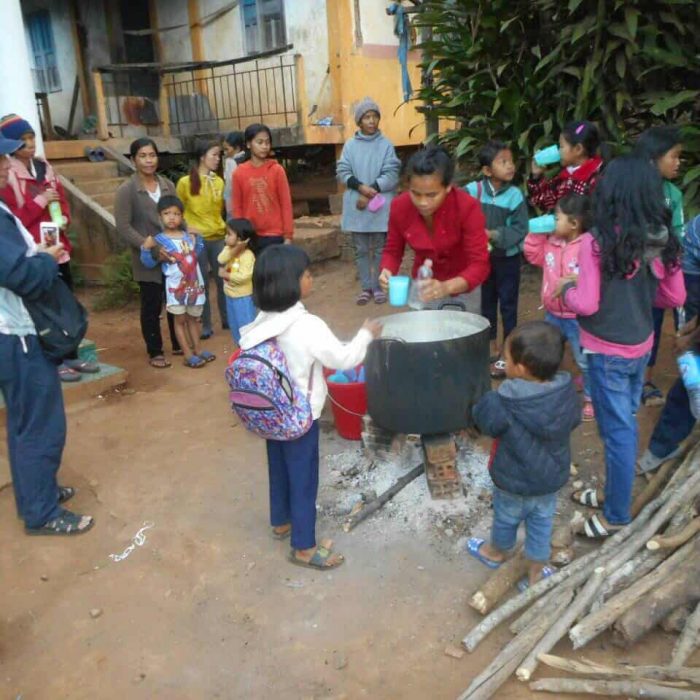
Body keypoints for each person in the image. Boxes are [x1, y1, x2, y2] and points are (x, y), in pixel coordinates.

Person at [557, 156, 685, 539]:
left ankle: (616, 516)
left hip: (606, 350)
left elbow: (588, 304)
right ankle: (612, 494)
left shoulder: (597, 243)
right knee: (623, 423)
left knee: (618, 433)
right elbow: (674, 294)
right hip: (641, 345)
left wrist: (567, 288)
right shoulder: (660, 239)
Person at [238, 245, 380, 569]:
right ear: (291, 283)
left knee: (279, 467)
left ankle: (281, 521)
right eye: (306, 274)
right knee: (303, 477)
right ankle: (303, 547)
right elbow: (343, 359)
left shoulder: (261, 320)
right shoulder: (306, 324)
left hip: (270, 413)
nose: (310, 277)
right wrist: (365, 335)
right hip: (299, 416)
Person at [0, 134, 94, 535]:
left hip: (12, 331)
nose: (8, 164)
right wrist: (46, 258)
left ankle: (38, 495)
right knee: (39, 424)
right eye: (2, 157)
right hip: (17, 334)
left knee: (26, 422)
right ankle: (42, 513)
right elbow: (19, 274)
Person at [468, 321, 580, 587]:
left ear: (520, 367)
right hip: (549, 480)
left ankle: (496, 552)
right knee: (541, 524)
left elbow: (485, 423)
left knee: (506, 518)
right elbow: (574, 420)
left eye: (505, 358)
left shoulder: (502, 402)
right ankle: (536, 573)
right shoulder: (567, 395)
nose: (502, 363)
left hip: (513, 481)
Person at [0, 113, 99, 382]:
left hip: (58, 247)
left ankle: (72, 354)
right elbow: (15, 217)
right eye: (23, 141)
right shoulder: (8, 176)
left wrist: (64, 217)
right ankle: (55, 359)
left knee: (65, 300)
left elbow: (62, 199)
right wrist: (41, 201)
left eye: (32, 138)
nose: (30, 145)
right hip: (33, 252)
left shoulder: (44, 167)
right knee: (45, 308)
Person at [378, 147, 490, 313]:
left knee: (462, 335)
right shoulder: (400, 207)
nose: (423, 202)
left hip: (464, 285)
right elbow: (393, 251)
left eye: (431, 195)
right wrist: (387, 270)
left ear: (448, 187)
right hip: (423, 286)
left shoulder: (467, 207)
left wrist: (446, 287)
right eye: (416, 193)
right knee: (424, 335)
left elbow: (480, 264)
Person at [524, 194, 594, 421]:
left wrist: (575, 280)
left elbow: (593, 279)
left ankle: (591, 399)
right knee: (551, 353)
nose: (552, 221)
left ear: (574, 224)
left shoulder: (588, 246)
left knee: (583, 358)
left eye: (556, 218)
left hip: (577, 316)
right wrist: (535, 234)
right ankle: (554, 391)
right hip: (552, 313)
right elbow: (533, 256)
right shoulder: (550, 242)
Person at [114, 137, 180, 368]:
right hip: (147, 258)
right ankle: (155, 351)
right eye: (142, 156)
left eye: (152, 155)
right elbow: (123, 226)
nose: (149, 160)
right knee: (151, 305)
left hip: (172, 256)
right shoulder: (127, 190)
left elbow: (177, 216)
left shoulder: (167, 185)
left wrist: (180, 243)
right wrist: (147, 245)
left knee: (175, 299)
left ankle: (179, 342)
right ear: (133, 160)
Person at [465, 140, 528, 377]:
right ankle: (490, 346)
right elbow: (455, 204)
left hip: (507, 260)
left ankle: (507, 352)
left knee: (509, 305)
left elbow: (521, 229)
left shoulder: (515, 196)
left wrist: (494, 234)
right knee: (486, 303)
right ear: (487, 171)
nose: (510, 166)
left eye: (511, 161)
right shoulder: (474, 190)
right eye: (503, 162)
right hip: (483, 260)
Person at [634, 126, 685, 406]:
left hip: (659, 272)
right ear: (653, 157)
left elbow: (677, 230)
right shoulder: (633, 190)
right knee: (635, 322)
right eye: (674, 157)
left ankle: (645, 380)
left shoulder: (673, 194)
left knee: (653, 321)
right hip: (630, 270)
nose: (678, 163)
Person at [336, 97, 401, 305]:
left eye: (375, 116)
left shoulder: (386, 145)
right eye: (367, 117)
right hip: (357, 206)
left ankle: (379, 286)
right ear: (359, 121)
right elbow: (342, 171)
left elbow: (392, 172)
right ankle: (366, 287)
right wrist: (360, 187)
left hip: (378, 205)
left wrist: (370, 190)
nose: (372, 121)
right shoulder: (350, 145)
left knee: (381, 247)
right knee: (361, 249)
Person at [140, 195, 214, 369]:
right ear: (160, 217)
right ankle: (187, 354)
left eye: (176, 213)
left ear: (182, 217)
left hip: (194, 285)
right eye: (167, 213)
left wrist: (199, 239)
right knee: (179, 320)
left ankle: (198, 350)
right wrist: (145, 248)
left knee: (194, 319)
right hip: (176, 288)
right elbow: (149, 263)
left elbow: (196, 254)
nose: (172, 217)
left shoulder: (187, 236)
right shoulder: (158, 240)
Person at [176, 140, 227, 339]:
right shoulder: (185, 183)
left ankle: (226, 319)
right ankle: (205, 324)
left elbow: (220, 209)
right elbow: (177, 211)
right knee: (201, 282)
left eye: (219, 155)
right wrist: (187, 228)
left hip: (218, 236)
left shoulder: (219, 182)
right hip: (197, 240)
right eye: (214, 155)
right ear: (202, 156)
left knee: (223, 279)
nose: (217, 159)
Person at [232, 123, 294, 251]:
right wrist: (239, 236)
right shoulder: (239, 172)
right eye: (259, 142)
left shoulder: (277, 170)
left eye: (267, 142)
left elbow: (286, 204)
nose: (264, 146)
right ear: (249, 144)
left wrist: (288, 236)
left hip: (275, 235)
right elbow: (237, 208)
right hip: (250, 237)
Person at [527, 120, 603, 213]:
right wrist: (536, 177)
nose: (559, 151)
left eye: (562, 146)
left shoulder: (595, 179)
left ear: (578, 149)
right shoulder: (564, 178)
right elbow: (545, 201)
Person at [218, 217, 257, 344]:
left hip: (243, 297)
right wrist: (235, 250)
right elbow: (221, 259)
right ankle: (240, 351)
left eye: (229, 234)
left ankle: (250, 353)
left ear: (240, 238)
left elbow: (245, 277)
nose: (226, 237)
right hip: (230, 295)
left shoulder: (248, 255)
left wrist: (227, 276)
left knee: (247, 327)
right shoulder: (228, 250)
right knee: (235, 326)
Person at [222, 131, 245, 218]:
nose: (224, 152)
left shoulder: (231, 162)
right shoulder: (245, 159)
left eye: (227, 149)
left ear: (237, 148)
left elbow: (231, 183)